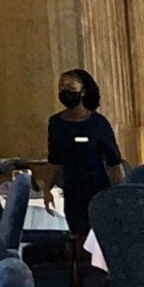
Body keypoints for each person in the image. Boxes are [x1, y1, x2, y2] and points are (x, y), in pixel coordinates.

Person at [46, 69, 125, 225]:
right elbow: (54, 161)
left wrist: (118, 195)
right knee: (76, 235)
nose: (65, 91)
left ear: (82, 91)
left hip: (97, 189)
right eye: (62, 87)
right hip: (72, 190)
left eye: (70, 86)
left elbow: (114, 163)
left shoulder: (98, 123)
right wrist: (46, 189)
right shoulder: (56, 123)